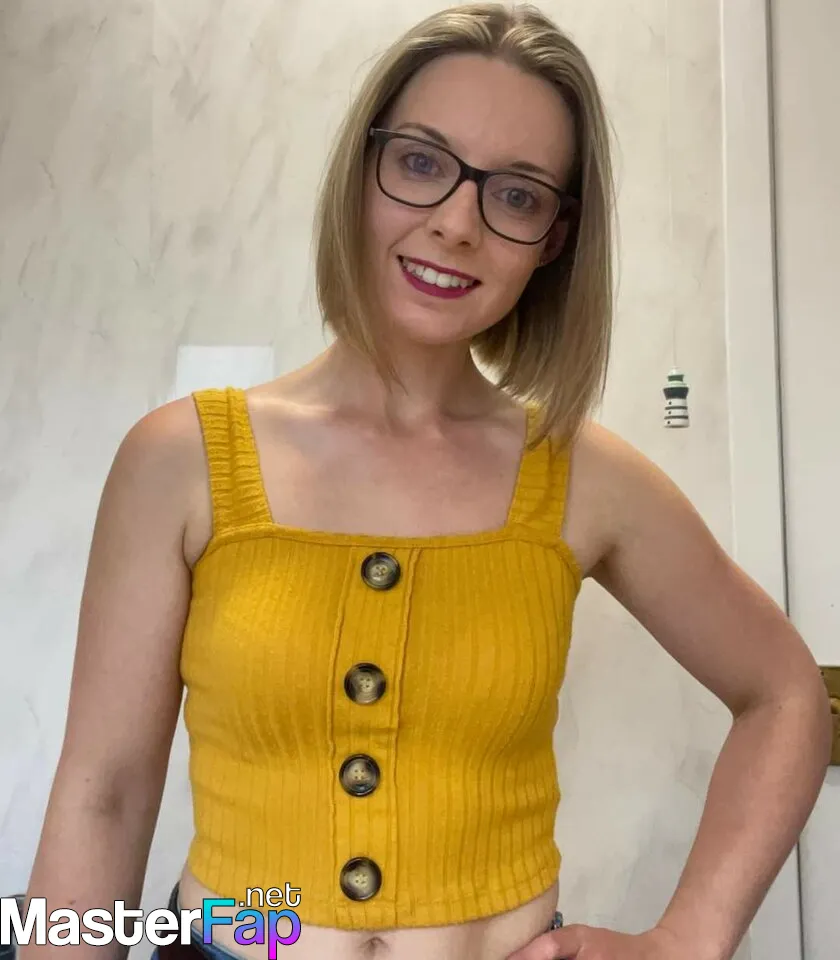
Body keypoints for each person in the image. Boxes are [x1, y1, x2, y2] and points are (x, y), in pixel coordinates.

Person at [21, 4, 832, 960]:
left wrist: (686, 940)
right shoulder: (179, 460)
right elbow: (103, 794)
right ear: (361, 172)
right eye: (419, 162)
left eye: (517, 195)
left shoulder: (583, 475)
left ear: (555, 238)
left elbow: (786, 693)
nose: (455, 224)